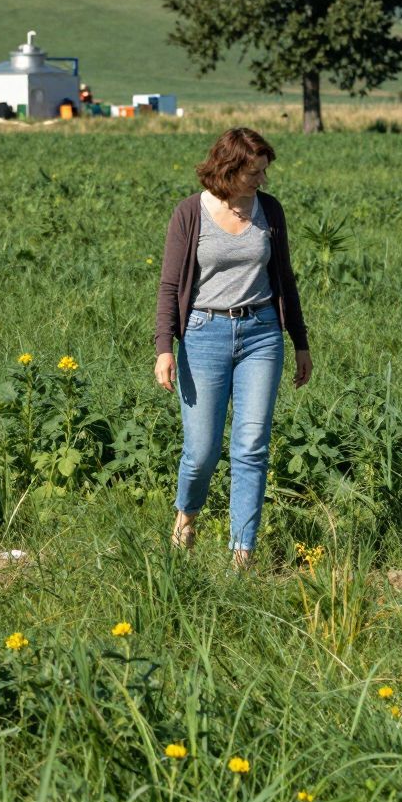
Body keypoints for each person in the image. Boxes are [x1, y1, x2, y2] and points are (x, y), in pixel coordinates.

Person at [154, 127, 312, 564]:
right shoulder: (190, 213)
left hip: (262, 334)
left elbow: (286, 279)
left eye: (264, 171)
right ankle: (186, 515)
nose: (261, 180)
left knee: (251, 446)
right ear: (229, 168)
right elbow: (170, 285)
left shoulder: (270, 211)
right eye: (253, 172)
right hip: (204, 335)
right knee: (201, 452)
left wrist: (299, 341)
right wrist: (164, 346)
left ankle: (242, 552)